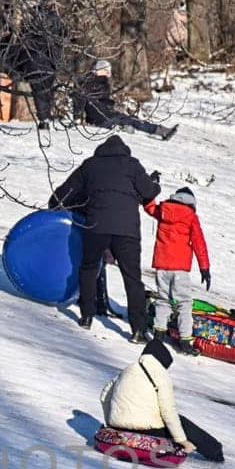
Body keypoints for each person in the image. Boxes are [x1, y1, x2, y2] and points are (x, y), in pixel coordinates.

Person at [49, 134, 162, 337]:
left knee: (89, 268)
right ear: (124, 150)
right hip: (127, 231)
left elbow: (62, 195)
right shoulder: (132, 165)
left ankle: (86, 316)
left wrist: (58, 205)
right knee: (132, 278)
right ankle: (138, 330)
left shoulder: (90, 165)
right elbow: (148, 191)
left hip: (97, 226)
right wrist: (156, 185)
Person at [101, 336, 225, 461]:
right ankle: (216, 451)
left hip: (117, 426)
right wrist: (182, 440)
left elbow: (104, 395)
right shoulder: (160, 374)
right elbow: (168, 411)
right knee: (182, 423)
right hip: (146, 429)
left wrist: (111, 421)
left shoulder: (127, 370)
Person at [144, 186, 211, 354]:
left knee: (163, 299)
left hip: (162, 265)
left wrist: (150, 187)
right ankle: (185, 341)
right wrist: (205, 268)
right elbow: (198, 242)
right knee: (184, 303)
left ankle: (159, 333)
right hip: (180, 268)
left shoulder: (163, 209)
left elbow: (148, 206)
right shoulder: (191, 217)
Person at [78, 60, 177, 141]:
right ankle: (161, 131)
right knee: (132, 120)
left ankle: (155, 129)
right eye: (104, 71)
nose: (106, 74)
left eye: (107, 71)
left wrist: (78, 116)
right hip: (103, 119)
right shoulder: (100, 83)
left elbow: (96, 100)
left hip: (99, 117)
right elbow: (96, 100)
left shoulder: (88, 83)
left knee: (128, 118)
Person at [21, 0, 65, 130]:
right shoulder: (52, 18)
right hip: (45, 58)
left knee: (41, 90)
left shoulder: (33, 17)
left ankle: (44, 117)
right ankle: (44, 117)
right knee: (44, 90)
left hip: (39, 58)